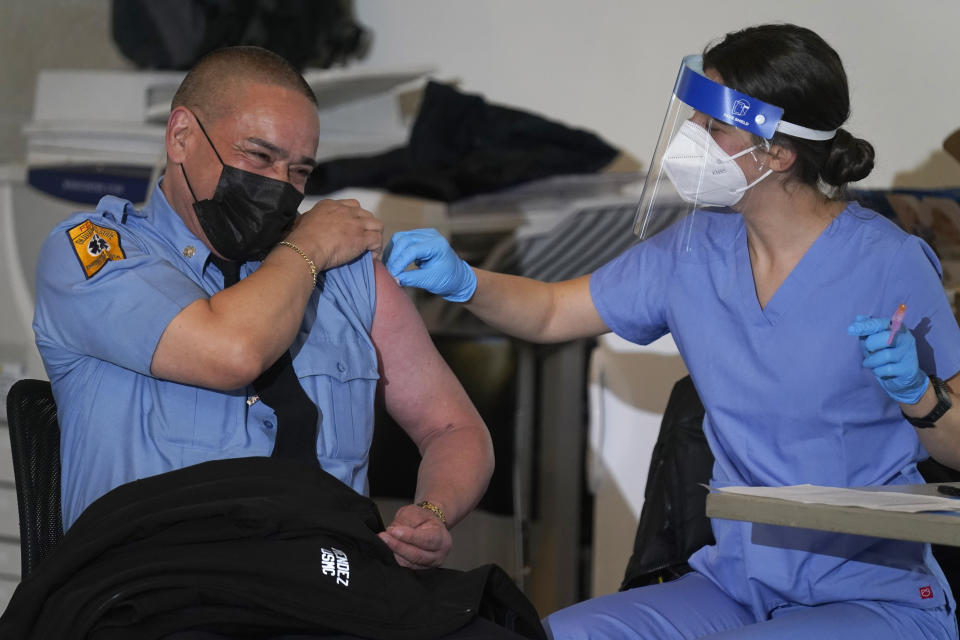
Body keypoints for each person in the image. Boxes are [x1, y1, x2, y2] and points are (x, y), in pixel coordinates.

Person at [384, 24, 960, 640]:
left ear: (777, 152)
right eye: (692, 119)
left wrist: (922, 397)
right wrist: (464, 280)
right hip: (737, 584)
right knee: (558, 635)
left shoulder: (888, 262)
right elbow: (553, 312)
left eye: (713, 128)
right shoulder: (693, 248)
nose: (692, 140)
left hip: (873, 598)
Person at [22, 46, 541, 639]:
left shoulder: (349, 278)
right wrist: (308, 248)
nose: (280, 187)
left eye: (299, 172)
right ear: (182, 135)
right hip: (162, 586)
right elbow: (230, 351)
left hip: (329, 580)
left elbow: (455, 429)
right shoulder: (94, 251)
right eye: (259, 156)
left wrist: (432, 512)